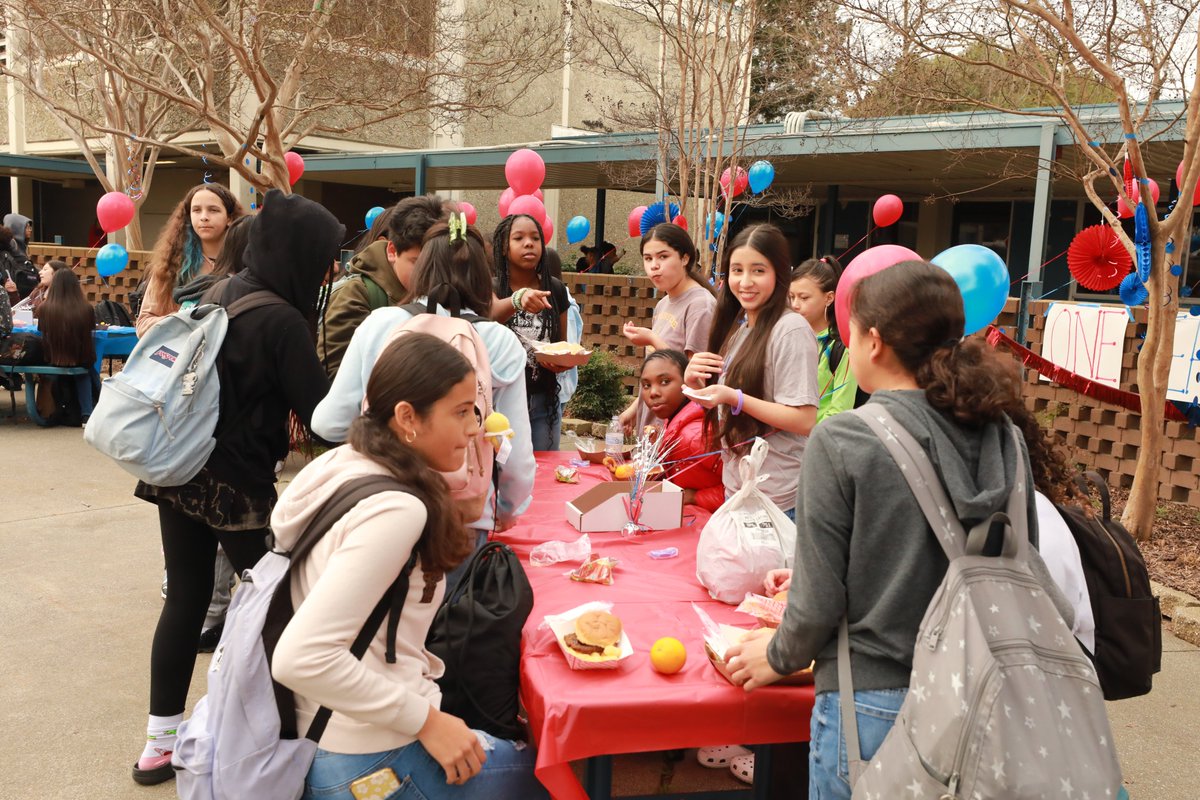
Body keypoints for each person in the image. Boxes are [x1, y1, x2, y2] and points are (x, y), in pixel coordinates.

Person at [724, 260, 1070, 799]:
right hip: (985, 692)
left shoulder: (843, 439)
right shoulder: (1003, 434)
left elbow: (817, 607)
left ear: (875, 342)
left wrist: (774, 656)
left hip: (873, 703)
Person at [272, 333, 546, 800]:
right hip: (372, 758)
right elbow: (302, 657)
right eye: (460, 412)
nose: (473, 429)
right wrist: (428, 721)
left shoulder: (344, 462)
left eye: (474, 410)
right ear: (406, 418)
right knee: (557, 774)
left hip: (323, 741)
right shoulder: (397, 509)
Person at [129, 189, 342, 786]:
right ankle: (276, 737)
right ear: (299, 254)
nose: (329, 270)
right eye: (325, 257)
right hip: (238, 487)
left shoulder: (216, 290)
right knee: (279, 607)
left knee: (186, 601)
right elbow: (321, 416)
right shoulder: (282, 318)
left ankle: (159, 744)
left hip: (179, 469)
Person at [312, 218, 535, 556]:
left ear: (422, 270)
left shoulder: (381, 324)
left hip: (384, 501)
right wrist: (504, 510)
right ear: (481, 277)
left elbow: (328, 424)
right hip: (464, 515)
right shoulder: (500, 341)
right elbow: (514, 454)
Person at [683, 224, 818, 517]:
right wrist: (694, 383)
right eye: (737, 270)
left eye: (758, 270)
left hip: (780, 501)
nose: (745, 281)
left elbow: (804, 418)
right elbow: (728, 404)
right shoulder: (743, 328)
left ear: (780, 273)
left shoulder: (790, 330)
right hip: (741, 491)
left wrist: (734, 397)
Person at [318, 196, 449, 378]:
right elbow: (335, 376)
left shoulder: (442, 294)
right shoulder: (356, 294)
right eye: (417, 263)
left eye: (435, 263)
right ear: (392, 251)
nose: (428, 273)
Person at [490, 213, 577, 451]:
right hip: (501, 401)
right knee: (505, 472)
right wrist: (518, 299)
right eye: (518, 238)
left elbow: (561, 344)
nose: (529, 243)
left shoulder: (555, 289)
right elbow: (491, 314)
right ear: (504, 248)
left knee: (546, 474)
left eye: (535, 238)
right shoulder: (493, 288)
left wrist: (562, 361)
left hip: (544, 399)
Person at [619, 223, 716, 434]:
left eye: (663, 257)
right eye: (648, 258)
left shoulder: (700, 305)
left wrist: (653, 339)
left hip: (681, 430)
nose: (654, 266)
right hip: (653, 428)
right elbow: (658, 376)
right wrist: (634, 410)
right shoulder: (664, 303)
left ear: (685, 258)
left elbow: (695, 379)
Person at [134, 183, 245, 337]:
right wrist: (185, 319)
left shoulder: (246, 262)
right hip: (181, 356)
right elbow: (143, 324)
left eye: (213, 210)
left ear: (230, 218)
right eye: (196, 210)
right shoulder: (171, 266)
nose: (204, 217)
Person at [637, 349, 723, 511]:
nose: (653, 392)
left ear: (687, 383)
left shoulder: (695, 435)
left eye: (665, 382)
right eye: (646, 385)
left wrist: (694, 497)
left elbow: (743, 489)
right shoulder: (673, 422)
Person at [787, 256, 863, 423]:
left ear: (829, 298)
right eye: (791, 297)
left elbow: (840, 410)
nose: (795, 305)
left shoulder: (842, 347)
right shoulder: (787, 337)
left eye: (804, 298)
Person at [36, 267, 98, 427]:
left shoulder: (44, 308)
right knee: (85, 374)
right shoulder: (86, 309)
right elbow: (90, 333)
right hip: (80, 357)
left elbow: (41, 332)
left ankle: (53, 409)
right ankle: (87, 414)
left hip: (52, 357)